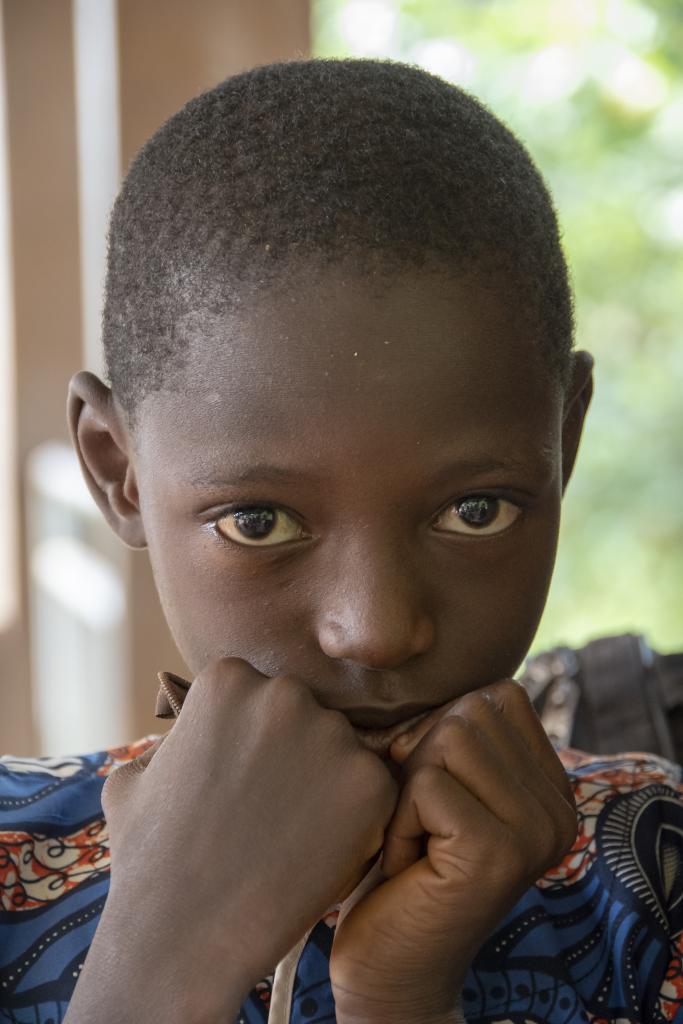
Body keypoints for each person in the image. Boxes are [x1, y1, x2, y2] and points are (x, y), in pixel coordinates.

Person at [1, 58, 681, 1024]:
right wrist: (161, 966)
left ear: (561, 444)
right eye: (258, 521)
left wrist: (399, 997)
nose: (375, 629)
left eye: (474, 510)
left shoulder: (655, 881)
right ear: (119, 470)